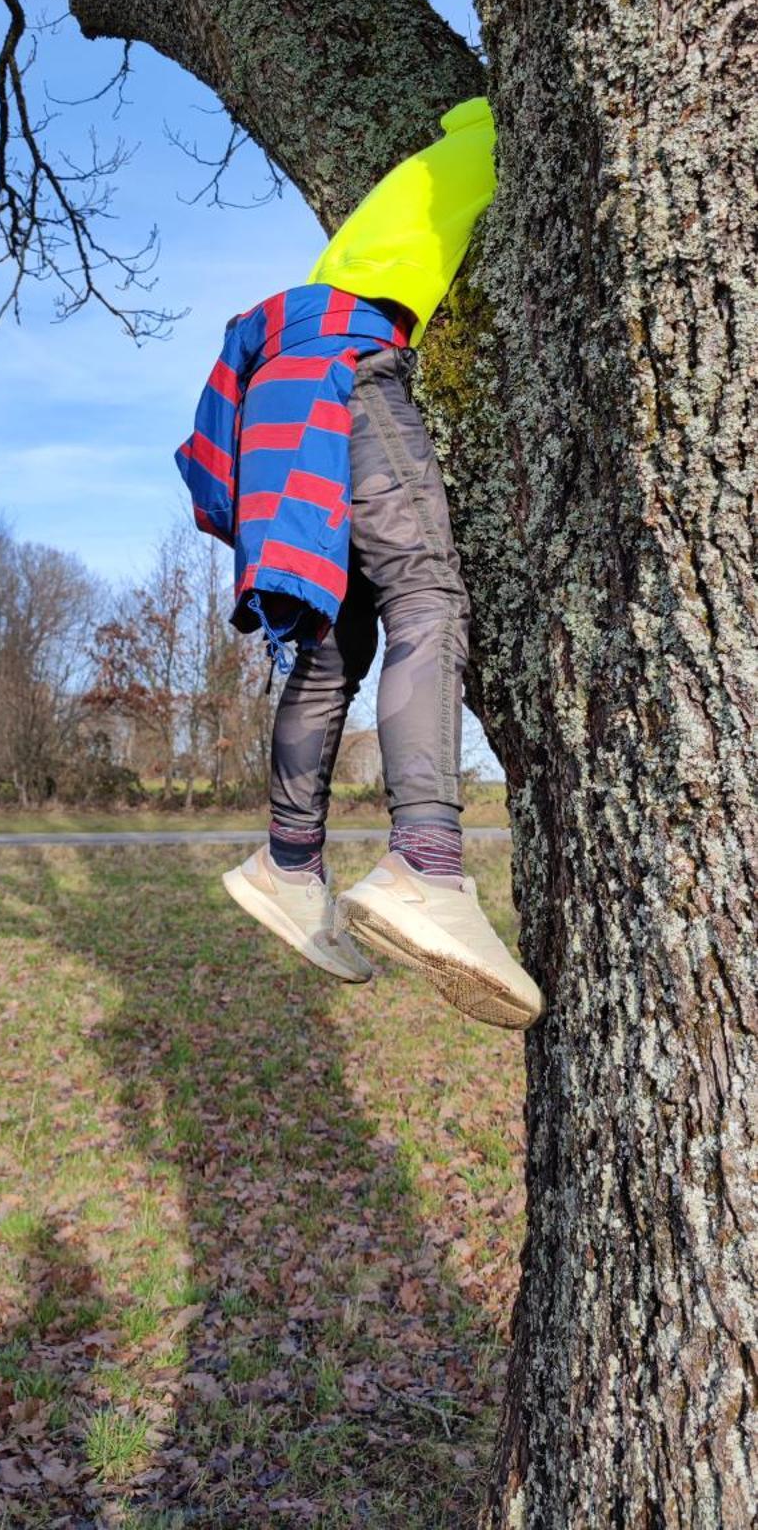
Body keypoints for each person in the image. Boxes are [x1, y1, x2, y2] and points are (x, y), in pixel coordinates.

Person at [176, 97, 544, 1029]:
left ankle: (289, 864)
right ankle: (425, 860)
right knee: (425, 596)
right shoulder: (518, 125)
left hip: (282, 386)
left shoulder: (431, 157)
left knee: (336, 641)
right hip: (348, 361)